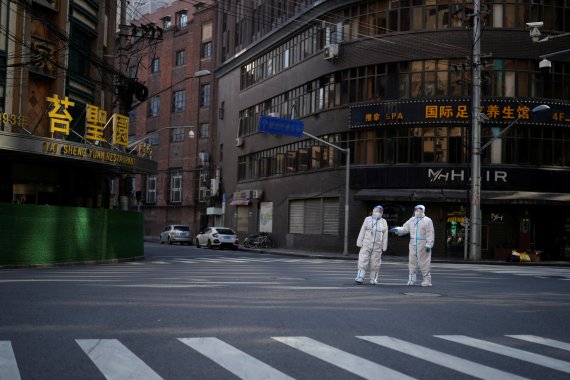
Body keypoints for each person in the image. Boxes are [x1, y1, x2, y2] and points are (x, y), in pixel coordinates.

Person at [389, 205, 435, 287]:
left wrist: (429, 244)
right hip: (413, 243)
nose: (417, 211)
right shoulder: (412, 220)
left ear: (423, 210)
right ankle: (412, 279)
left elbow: (430, 233)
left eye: (419, 209)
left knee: (424, 263)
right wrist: (397, 230)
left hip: (423, 244)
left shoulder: (427, 221)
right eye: (416, 209)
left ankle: (427, 280)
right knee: (412, 262)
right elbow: (405, 229)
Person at [354, 205, 388, 285]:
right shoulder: (368, 219)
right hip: (366, 243)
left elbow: (385, 235)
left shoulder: (383, 221)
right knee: (363, 259)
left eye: (380, 211)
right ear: (373, 210)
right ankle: (360, 276)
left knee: (375, 262)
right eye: (376, 210)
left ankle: (373, 278)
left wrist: (384, 245)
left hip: (377, 245)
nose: (378, 212)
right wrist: (359, 241)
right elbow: (362, 230)